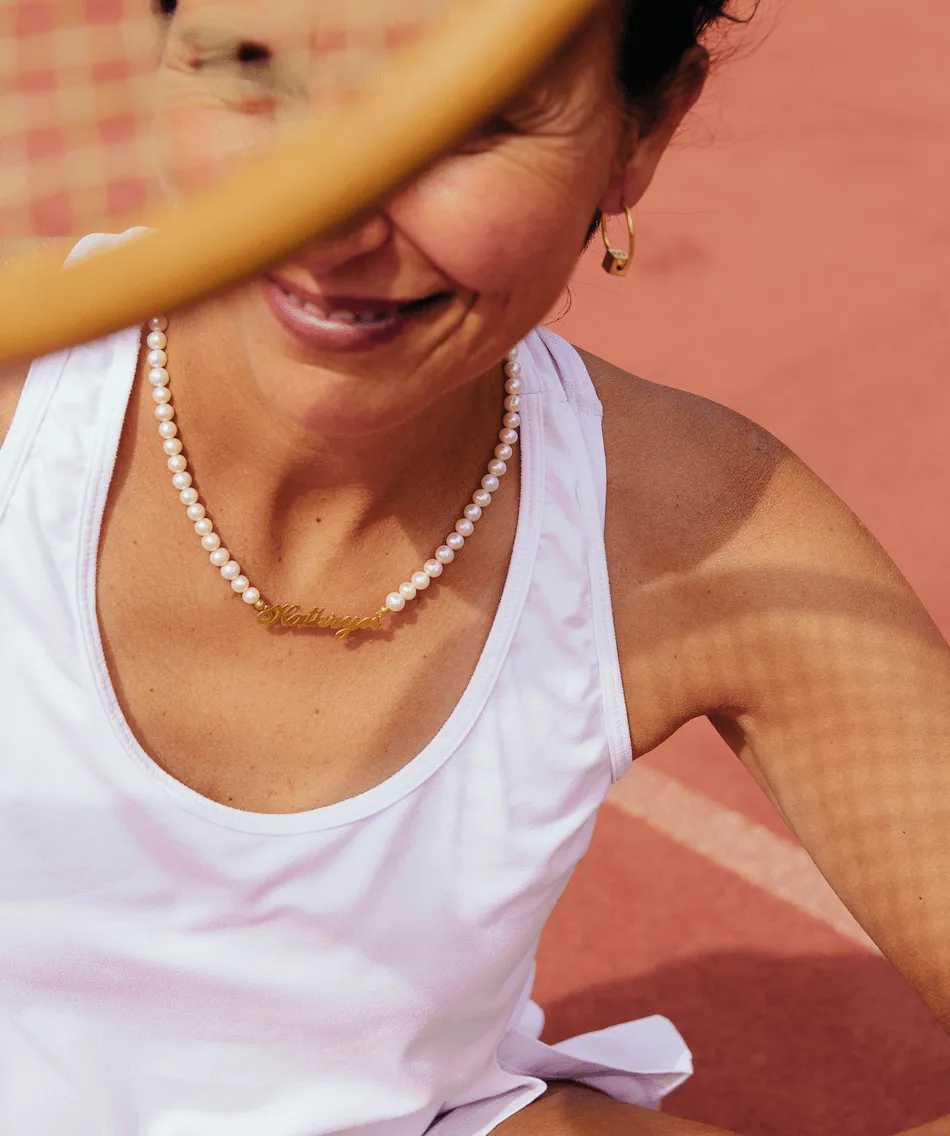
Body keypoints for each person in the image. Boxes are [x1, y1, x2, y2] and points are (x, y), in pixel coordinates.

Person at [0, 1, 948, 1133]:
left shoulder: (704, 531)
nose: (323, 218)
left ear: (639, 135)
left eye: (464, 118)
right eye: (254, 68)